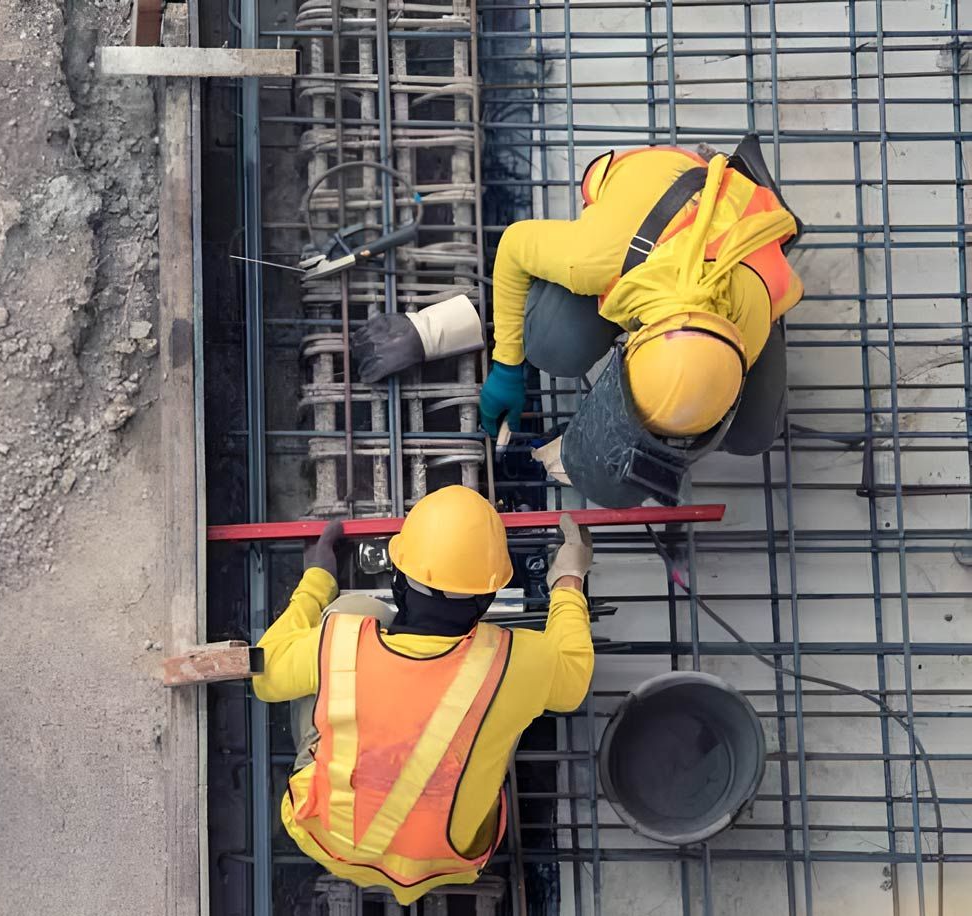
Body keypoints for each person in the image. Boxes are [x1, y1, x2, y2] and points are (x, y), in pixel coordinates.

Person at [252, 486, 595, 904]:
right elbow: (574, 679)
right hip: (450, 861)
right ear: (487, 597)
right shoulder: (516, 661)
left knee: (351, 615)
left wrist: (317, 579)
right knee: (504, 705)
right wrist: (568, 580)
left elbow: (265, 675)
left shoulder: (341, 642)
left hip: (327, 837)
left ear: (399, 579)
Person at [478, 135, 804, 508]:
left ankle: (746, 185)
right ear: (633, 343)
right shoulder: (596, 256)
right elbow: (513, 246)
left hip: (744, 244)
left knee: (754, 434)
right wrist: (507, 363)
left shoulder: (756, 315)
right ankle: (723, 166)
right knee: (551, 345)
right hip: (658, 190)